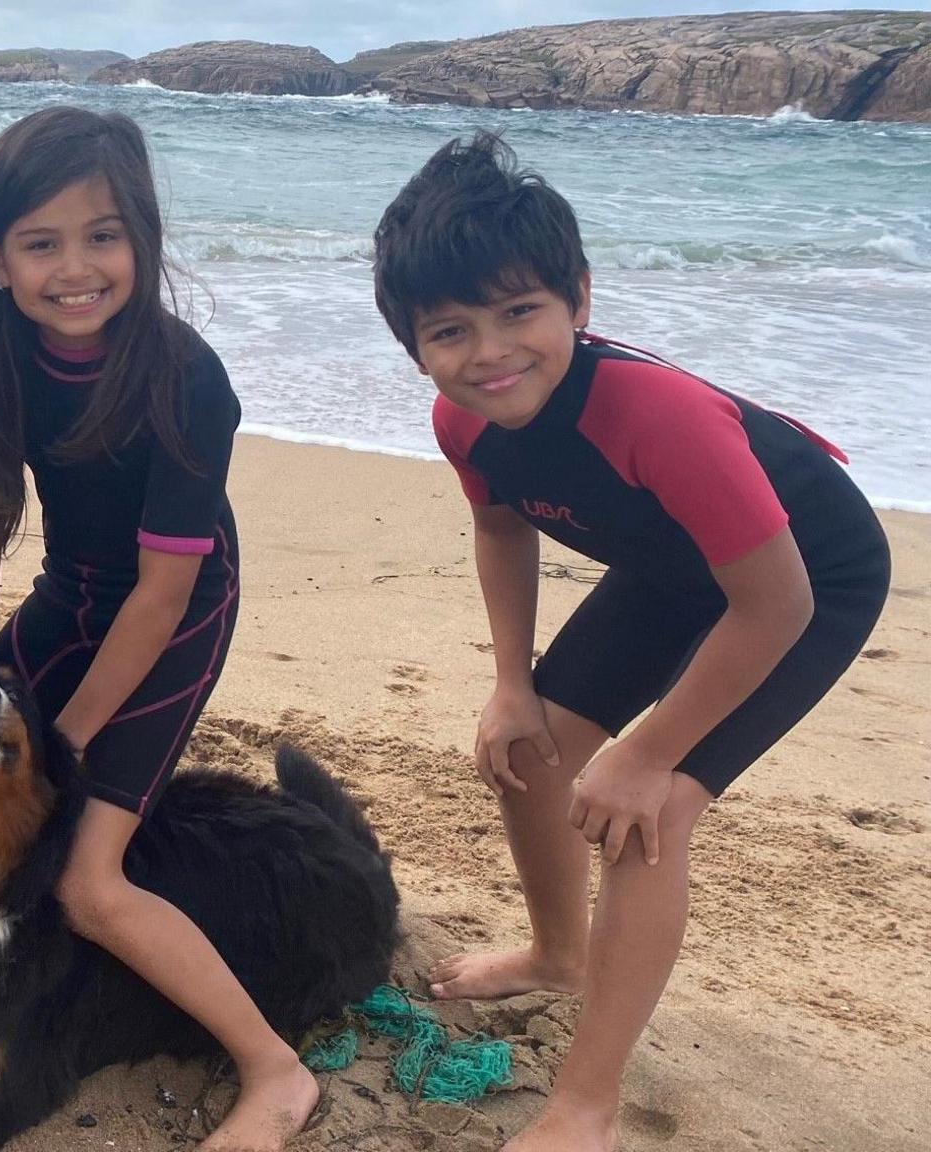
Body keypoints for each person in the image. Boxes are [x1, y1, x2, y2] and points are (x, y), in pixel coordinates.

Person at [372, 132, 890, 1152]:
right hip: (673, 570)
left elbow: (771, 606)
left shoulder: (654, 415)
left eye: (519, 312)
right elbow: (498, 524)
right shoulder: (460, 422)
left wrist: (650, 753)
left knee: (642, 812)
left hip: (803, 582)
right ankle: (558, 955)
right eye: (449, 330)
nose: (488, 352)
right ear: (413, 343)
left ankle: (585, 1105)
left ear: (578, 300)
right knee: (527, 757)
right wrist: (509, 686)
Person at [0, 105, 315, 1152]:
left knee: (87, 881)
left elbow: (157, 597)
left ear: (141, 239)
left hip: (174, 611)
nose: (74, 268)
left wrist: (67, 739)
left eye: (102, 236)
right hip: (72, 589)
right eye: (40, 243)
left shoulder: (184, 377)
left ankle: (273, 1073)